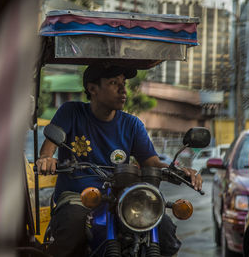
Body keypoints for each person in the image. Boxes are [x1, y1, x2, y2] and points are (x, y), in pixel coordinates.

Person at [36, 63, 203, 257]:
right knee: (73, 224)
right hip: (79, 197)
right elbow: (48, 148)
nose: (123, 89)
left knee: (162, 226)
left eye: (123, 83)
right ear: (92, 89)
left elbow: (153, 163)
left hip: (122, 198)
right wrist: (46, 159)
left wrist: (180, 171)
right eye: (114, 83)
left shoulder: (132, 124)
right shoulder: (71, 112)